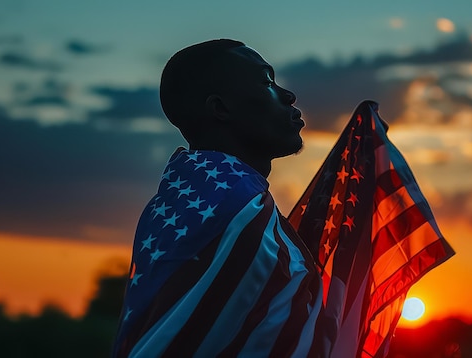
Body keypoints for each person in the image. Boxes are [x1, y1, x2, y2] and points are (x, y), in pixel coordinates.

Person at [112, 39, 325, 357]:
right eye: (266, 82)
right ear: (221, 109)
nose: (288, 95)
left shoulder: (182, 202)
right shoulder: (236, 211)